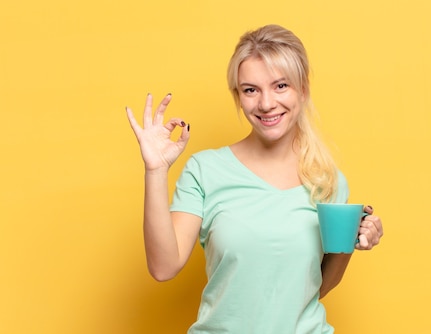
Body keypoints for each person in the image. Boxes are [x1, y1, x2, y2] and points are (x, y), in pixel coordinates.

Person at [126, 24, 384, 334]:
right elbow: (163, 267)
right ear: (238, 96)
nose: (266, 103)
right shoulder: (205, 170)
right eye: (251, 89)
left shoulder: (327, 180)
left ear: (302, 90)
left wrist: (353, 239)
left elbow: (317, 286)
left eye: (280, 86)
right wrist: (155, 171)